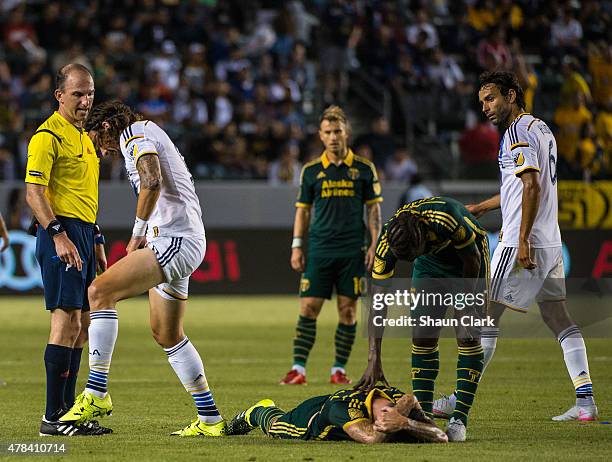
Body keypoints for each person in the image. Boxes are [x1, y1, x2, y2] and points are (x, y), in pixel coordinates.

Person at [434, 71, 598, 422]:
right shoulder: (540, 128)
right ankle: (585, 401)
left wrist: (521, 239)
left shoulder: (516, 132)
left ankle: (457, 401)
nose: (485, 108)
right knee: (558, 317)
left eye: (490, 99)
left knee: (484, 320)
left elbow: (532, 186)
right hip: (550, 240)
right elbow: (519, 187)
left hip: (522, 240)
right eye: (481, 102)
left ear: (511, 95)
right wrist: (481, 207)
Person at [60, 100, 225, 437]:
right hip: (183, 239)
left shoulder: (134, 134)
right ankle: (210, 419)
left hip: (174, 238)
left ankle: (96, 393)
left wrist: (136, 236)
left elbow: (152, 182)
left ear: (105, 126)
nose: (100, 151)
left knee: (99, 291)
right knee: (167, 334)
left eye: (95, 139)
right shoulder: (145, 132)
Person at [358, 197, 490, 442]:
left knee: (467, 334)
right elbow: (378, 302)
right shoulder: (388, 241)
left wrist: (466, 303)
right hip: (429, 266)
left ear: (422, 235)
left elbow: (472, 259)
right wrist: (373, 356)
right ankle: (424, 417)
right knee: (422, 336)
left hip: (469, 261)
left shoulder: (446, 217)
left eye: (412, 253)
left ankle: (459, 418)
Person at [25, 63, 109, 437]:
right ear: (59, 95)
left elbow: (83, 196)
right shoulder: (48, 137)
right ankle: (51, 417)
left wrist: (96, 237)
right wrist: (58, 235)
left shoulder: (82, 138)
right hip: (60, 232)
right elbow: (34, 192)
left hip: (83, 233)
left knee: (84, 325)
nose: (85, 101)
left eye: (90, 93)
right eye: (78, 94)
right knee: (66, 321)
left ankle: (68, 413)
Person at [280, 105, 382, 385]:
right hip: (320, 250)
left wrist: (375, 244)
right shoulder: (311, 171)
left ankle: (338, 369)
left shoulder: (363, 169)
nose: (334, 137)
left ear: (346, 132)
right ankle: (298, 369)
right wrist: (297, 246)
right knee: (308, 307)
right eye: (328, 132)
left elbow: (373, 211)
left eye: (337, 131)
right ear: (321, 136)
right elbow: (303, 211)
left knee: (347, 310)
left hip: (352, 250)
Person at [226, 385, 447, 444]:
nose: (384, 422)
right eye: (384, 420)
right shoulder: (343, 409)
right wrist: (405, 422)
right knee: (276, 426)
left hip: (332, 405)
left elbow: (441, 436)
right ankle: (257, 411)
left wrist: (406, 420)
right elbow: (371, 438)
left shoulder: (396, 400)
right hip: (312, 420)